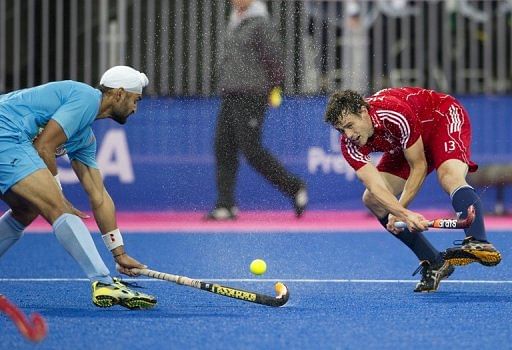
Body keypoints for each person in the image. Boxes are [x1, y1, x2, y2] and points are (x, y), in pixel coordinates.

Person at [0, 65, 156, 309]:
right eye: (135, 99)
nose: (135, 108)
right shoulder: (85, 98)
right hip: (5, 133)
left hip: (9, 138)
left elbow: (99, 196)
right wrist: (59, 197)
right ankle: (104, 283)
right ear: (118, 94)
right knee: (57, 207)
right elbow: (44, 147)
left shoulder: (84, 138)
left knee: (26, 210)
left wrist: (119, 253)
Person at [324, 87, 501, 293]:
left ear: (364, 111)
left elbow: (419, 166)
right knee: (372, 199)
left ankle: (478, 240)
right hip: (404, 143)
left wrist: (402, 211)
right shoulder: (349, 144)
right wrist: (401, 213)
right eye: (341, 130)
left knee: (449, 176)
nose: (348, 135)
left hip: (440, 120)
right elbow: (375, 186)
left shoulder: (393, 113)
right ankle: (435, 262)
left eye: (349, 126)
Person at [206, 0, 307, 220]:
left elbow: (275, 58)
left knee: (251, 150)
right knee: (223, 147)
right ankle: (226, 205)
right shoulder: (235, 21)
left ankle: (295, 187)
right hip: (230, 93)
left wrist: (274, 88)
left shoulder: (260, 23)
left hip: (252, 94)